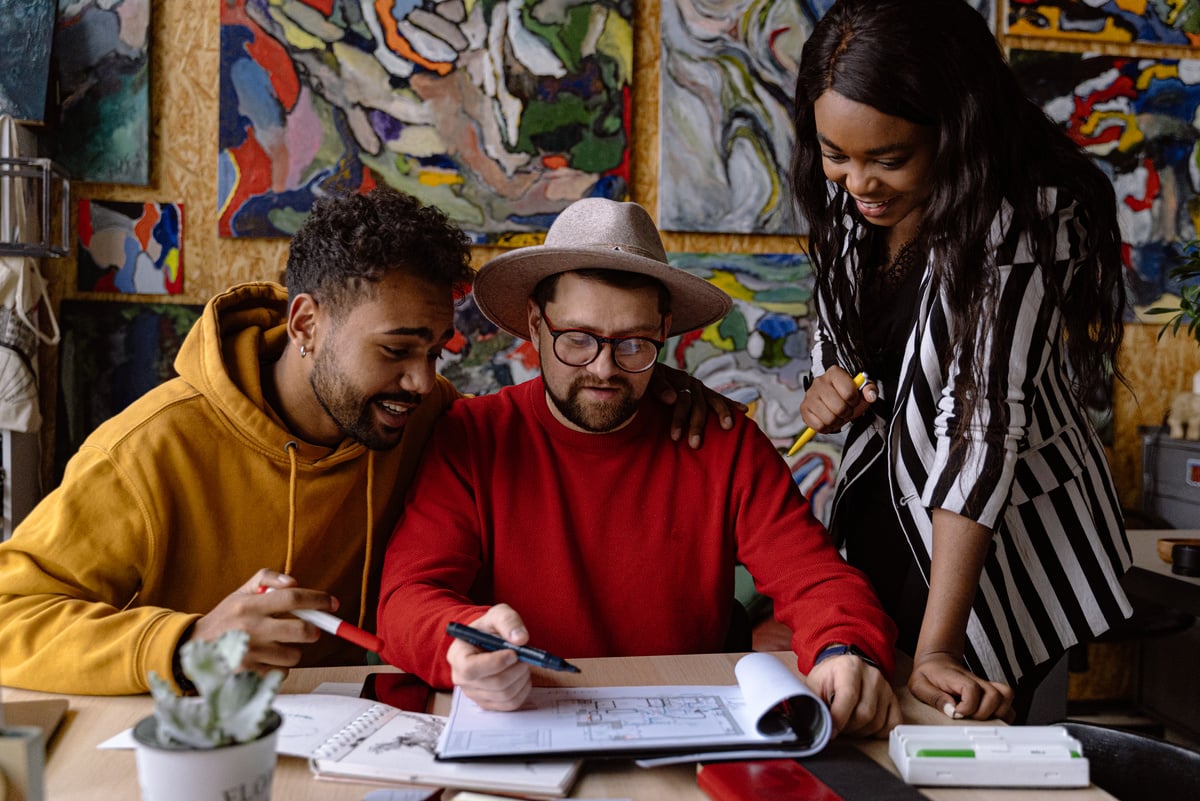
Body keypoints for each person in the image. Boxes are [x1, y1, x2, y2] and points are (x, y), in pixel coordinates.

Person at [0, 186, 731, 696]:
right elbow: (10, 615)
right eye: (396, 350)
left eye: (436, 351)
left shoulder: (426, 419)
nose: (421, 381)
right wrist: (188, 642)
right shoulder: (149, 448)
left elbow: (554, 417)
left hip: (375, 741)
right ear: (307, 324)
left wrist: (651, 385)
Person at [377, 198, 902, 739]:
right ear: (536, 325)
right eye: (577, 339)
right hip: (519, 726)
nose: (603, 369)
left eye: (633, 343)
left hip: (687, 737)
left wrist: (845, 647)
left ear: (665, 331)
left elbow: (815, 577)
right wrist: (460, 646)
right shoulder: (471, 437)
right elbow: (406, 599)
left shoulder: (723, 443)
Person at [790, 0, 1131, 724]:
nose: (857, 183)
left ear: (956, 125)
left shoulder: (1027, 217)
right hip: (884, 513)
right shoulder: (851, 189)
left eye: (889, 159)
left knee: (958, 742)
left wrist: (941, 644)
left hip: (993, 543)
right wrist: (827, 371)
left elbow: (981, 425)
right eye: (835, 154)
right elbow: (839, 313)